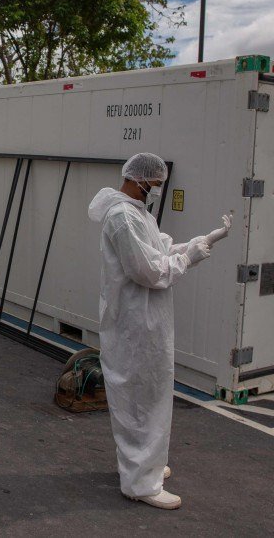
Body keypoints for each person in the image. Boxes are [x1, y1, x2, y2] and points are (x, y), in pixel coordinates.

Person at [87, 152, 231, 510]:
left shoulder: (138, 214)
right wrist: (190, 258)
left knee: (150, 397)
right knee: (139, 400)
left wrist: (201, 242)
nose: (155, 190)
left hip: (146, 321)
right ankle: (140, 483)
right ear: (139, 180)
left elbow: (161, 249)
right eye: (154, 184)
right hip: (136, 323)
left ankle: (145, 464)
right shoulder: (123, 218)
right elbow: (149, 271)